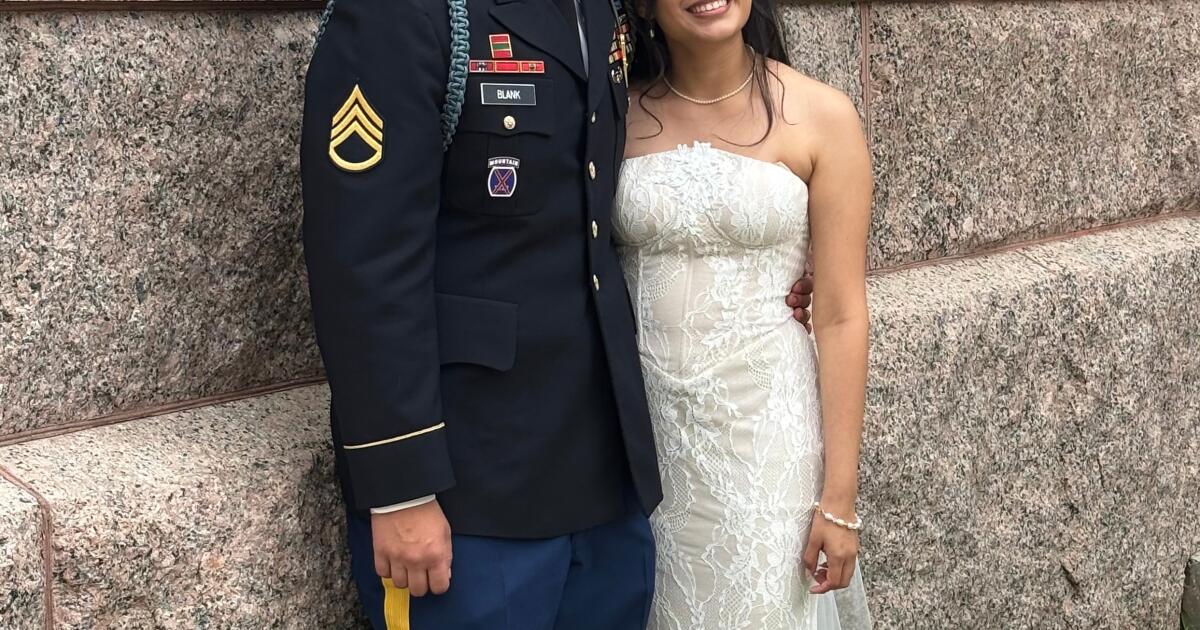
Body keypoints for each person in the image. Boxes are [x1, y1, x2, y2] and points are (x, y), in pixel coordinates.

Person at [299, 0, 814, 627]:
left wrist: (776, 246)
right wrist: (400, 486)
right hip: (468, 493)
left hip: (602, 482)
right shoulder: (405, 14)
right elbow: (362, 260)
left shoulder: (599, 8)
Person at [614, 0, 874, 627]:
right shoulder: (613, 117)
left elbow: (841, 314)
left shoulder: (822, 114)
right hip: (645, 443)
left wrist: (838, 501)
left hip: (766, 442)